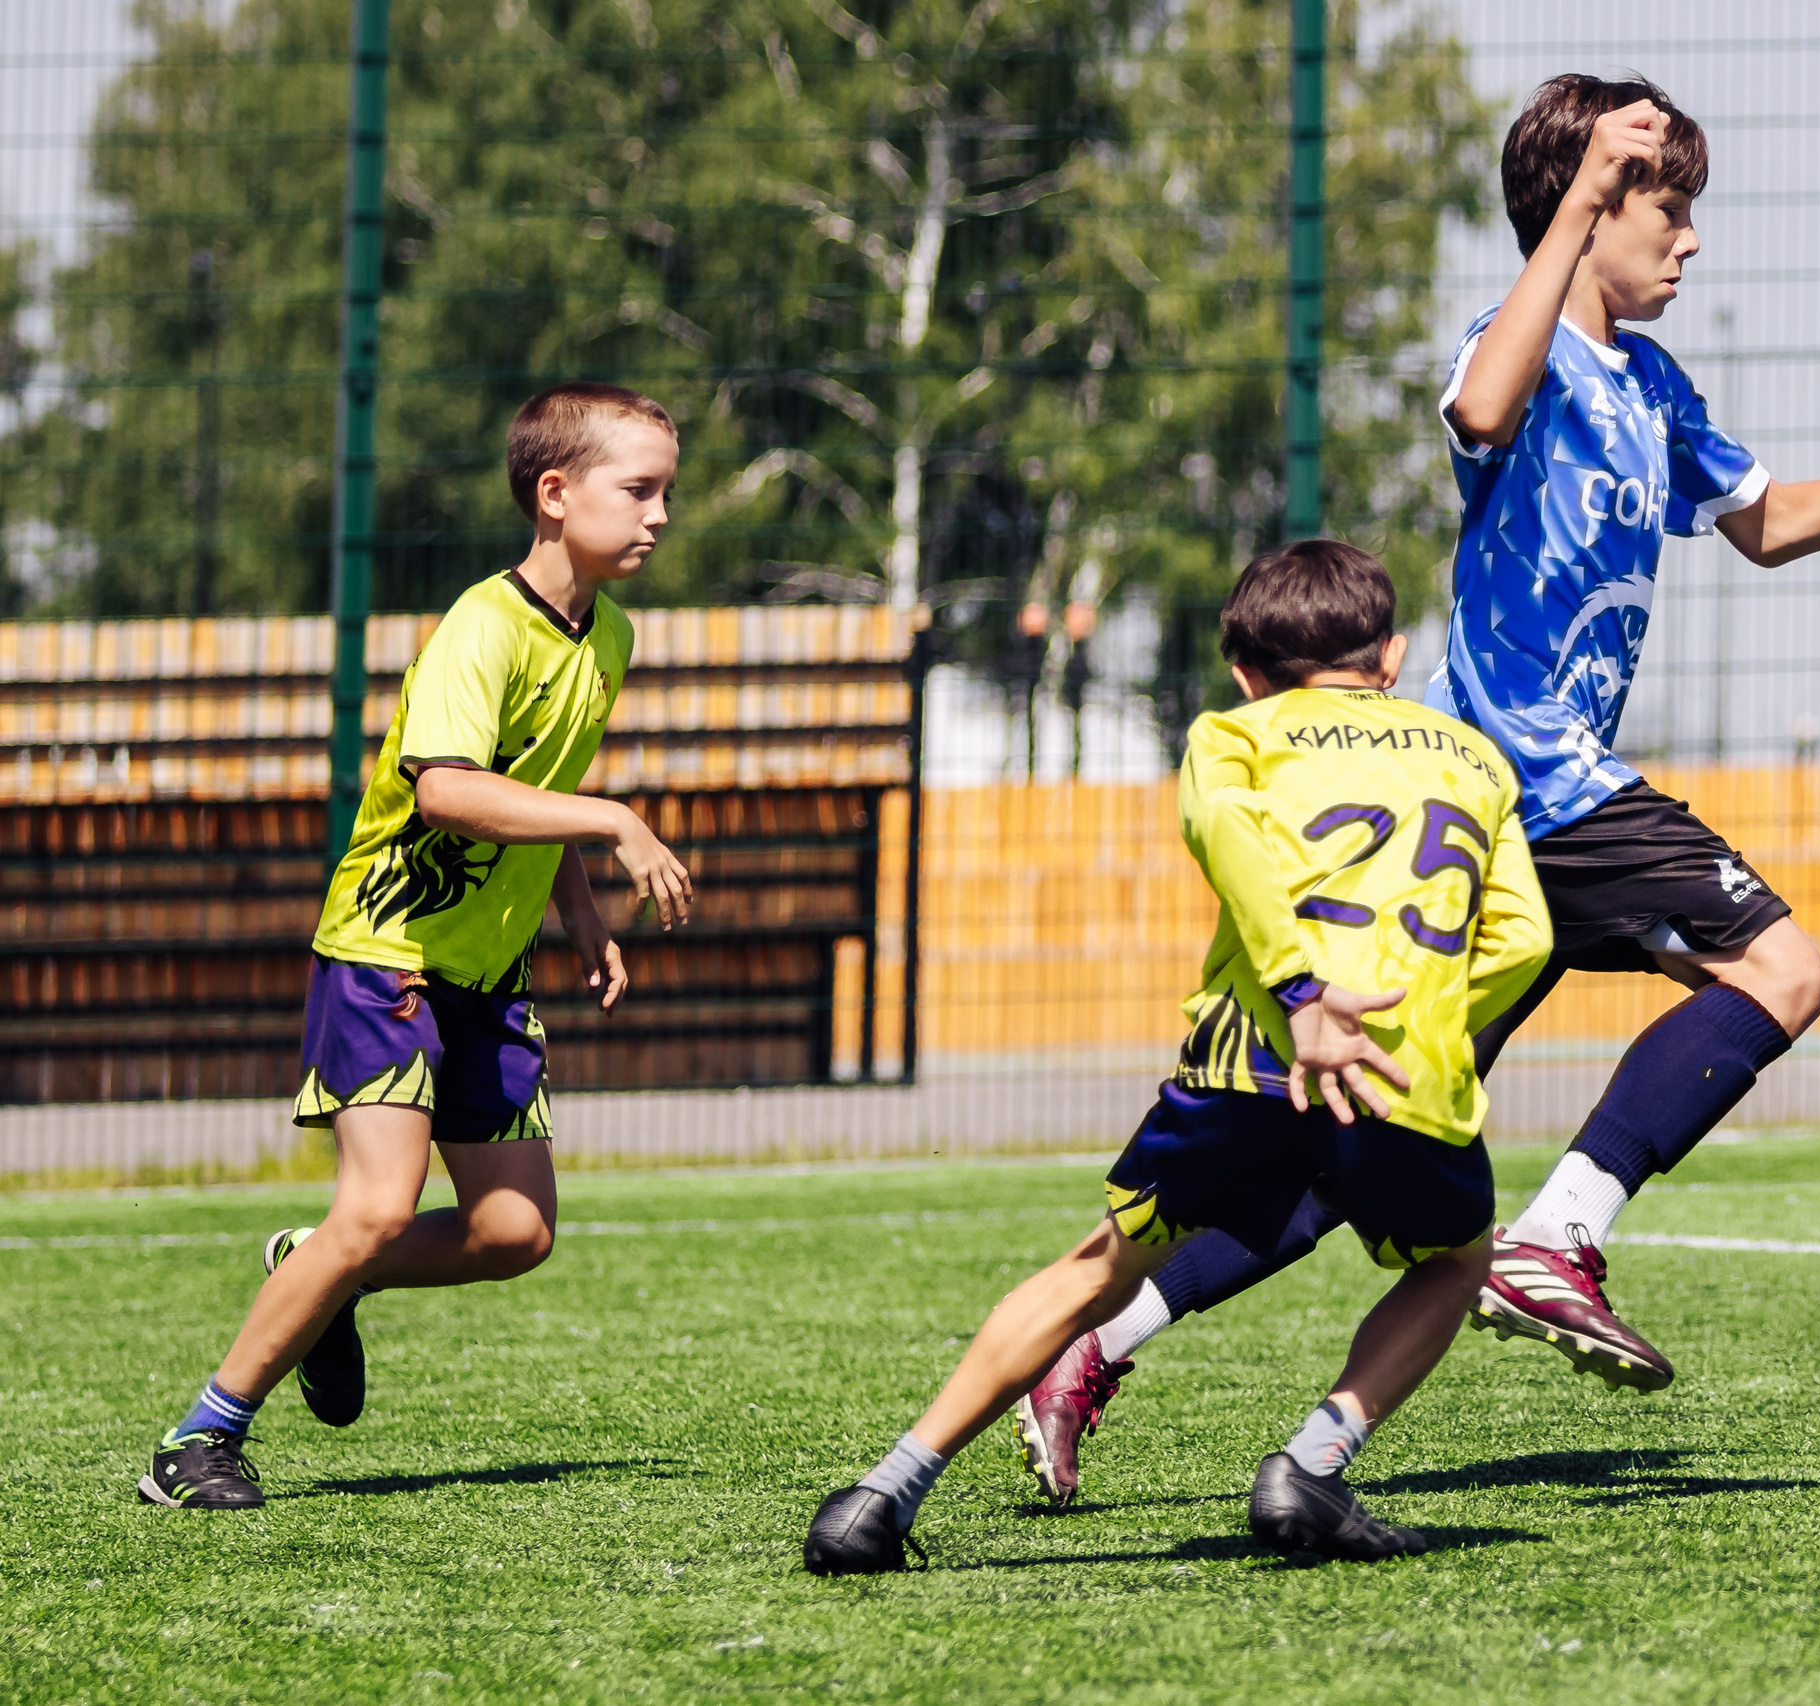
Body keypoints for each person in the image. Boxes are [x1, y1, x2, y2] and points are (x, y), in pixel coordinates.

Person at [1011, 72, 1820, 1505]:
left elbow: (1771, 525)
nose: (1689, 241)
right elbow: (1479, 399)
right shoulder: (1524, 350)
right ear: (1591, 210)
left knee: (1368, 1143)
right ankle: (1557, 1235)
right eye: (1668, 208)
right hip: (1523, 775)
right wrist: (1572, 206)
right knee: (1786, 966)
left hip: (1511, 826)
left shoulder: (1656, 384)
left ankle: (1103, 1349)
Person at [804, 540, 1550, 1571]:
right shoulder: (1474, 754)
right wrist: (1419, 1021)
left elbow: (1230, 839)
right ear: (1392, 653)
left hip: (1243, 1063)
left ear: (1245, 669)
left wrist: (1296, 989)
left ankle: (884, 1493)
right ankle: (1312, 1462)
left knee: (1101, 1267)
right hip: (1399, 1072)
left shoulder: (1231, 735)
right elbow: (1525, 938)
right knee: (1457, 1261)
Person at [138, 384, 696, 1510]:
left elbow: (534, 783)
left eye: (666, 492)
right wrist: (613, 820)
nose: (660, 515)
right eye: (638, 489)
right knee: (381, 1205)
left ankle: (323, 1266)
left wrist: (579, 909)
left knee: (513, 1229)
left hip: (485, 969)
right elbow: (445, 789)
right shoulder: (480, 627)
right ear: (555, 493)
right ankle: (197, 1441)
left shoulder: (610, 635)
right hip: (386, 953)